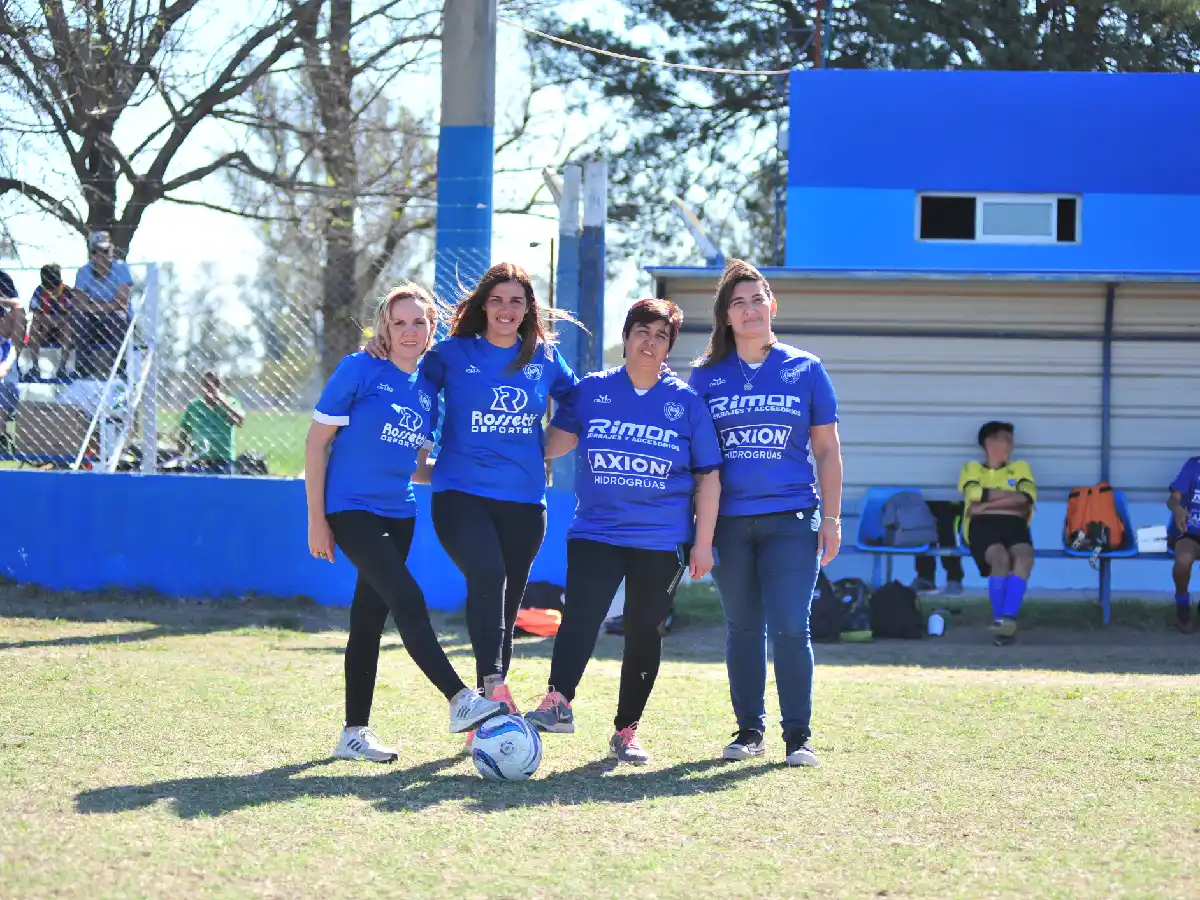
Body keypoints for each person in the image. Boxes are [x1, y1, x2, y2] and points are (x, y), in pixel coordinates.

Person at [365, 262, 578, 750]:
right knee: (487, 575)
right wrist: (378, 348)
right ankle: (495, 688)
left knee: (505, 601)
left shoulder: (544, 358)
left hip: (525, 502)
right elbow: (408, 371)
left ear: (528, 310)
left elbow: (577, 402)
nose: (506, 309)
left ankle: (486, 713)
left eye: (517, 301)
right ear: (483, 305)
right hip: (460, 494)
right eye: (497, 299)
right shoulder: (453, 354)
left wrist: (549, 445)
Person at [306, 283, 508, 762]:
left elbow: (416, 465)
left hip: (400, 514)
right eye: (399, 322)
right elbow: (317, 444)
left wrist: (472, 470)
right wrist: (316, 519)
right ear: (384, 328)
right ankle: (460, 699)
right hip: (350, 509)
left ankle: (353, 733)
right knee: (408, 598)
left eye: (419, 322)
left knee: (369, 620)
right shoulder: (360, 369)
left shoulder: (427, 390)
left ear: (431, 328)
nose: (409, 331)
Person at [525, 299, 722, 765]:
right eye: (642, 331)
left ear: (669, 347)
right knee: (581, 616)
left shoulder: (686, 403)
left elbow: (709, 477)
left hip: (662, 539)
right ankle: (558, 702)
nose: (649, 342)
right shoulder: (593, 390)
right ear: (627, 335)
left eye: (660, 336)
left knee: (643, 631)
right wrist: (521, 411)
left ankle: (626, 730)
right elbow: (554, 444)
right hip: (598, 531)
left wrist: (704, 541)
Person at [688, 259, 843, 768]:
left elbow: (827, 451)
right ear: (726, 317)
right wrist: (699, 533)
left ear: (772, 306)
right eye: (739, 303)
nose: (750, 309)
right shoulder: (705, 377)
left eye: (757, 299)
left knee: (790, 628)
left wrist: (834, 520)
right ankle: (748, 731)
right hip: (729, 526)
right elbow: (696, 462)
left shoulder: (806, 368)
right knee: (743, 628)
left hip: (793, 521)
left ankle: (798, 736)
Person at [958, 421, 1037, 646]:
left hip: (1014, 524)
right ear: (989, 442)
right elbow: (973, 493)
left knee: (1024, 558)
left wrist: (985, 503)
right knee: (1000, 559)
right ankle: (1000, 621)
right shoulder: (972, 468)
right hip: (982, 525)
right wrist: (1006, 500)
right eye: (1006, 439)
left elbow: (1026, 498)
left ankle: (1008, 620)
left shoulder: (1020, 468)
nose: (1011, 445)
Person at [73, 231, 133, 379]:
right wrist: (105, 306)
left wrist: (93, 305)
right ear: (91, 254)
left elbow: (122, 301)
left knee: (119, 316)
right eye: (96, 251)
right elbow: (79, 303)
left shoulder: (121, 268)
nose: (101, 256)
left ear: (111, 250)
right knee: (78, 318)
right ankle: (83, 369)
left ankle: (119, 367)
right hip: (93, 319)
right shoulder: (83, 271)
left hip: (113, 318)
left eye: (105, 251)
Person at [177, 371, 246, 474]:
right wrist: (182, 458)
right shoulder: (194, 406)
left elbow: (241, 420)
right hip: (199, 460)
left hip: (223, 461)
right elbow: (183, 434)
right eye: (206, 385)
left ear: (220, 385)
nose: (210, 388)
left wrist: (222, 402)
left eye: (214, 384)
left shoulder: (231, 402)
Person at [1167, 455, 1200, 633]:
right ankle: (1182, 607)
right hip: (1190, 532)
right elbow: (1172, 500)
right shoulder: (1194, 465)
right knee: (1183, 560)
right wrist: (1178, 509)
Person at [26, 264, 76, 382]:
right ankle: (34, 367)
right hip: (44, 326)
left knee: (68, 327)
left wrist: (58, 321)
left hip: (61, 326)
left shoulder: (66, 290)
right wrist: (48, 320)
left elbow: (71, 313)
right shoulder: (39, 290)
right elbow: (35, 312)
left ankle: (62, 368)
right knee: (34, 326)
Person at [912, 500, 965, 595]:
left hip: (952, 500)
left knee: (945, 520)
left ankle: (953, 577)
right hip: (926, 495)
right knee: (923, 516)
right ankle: (925, 577)